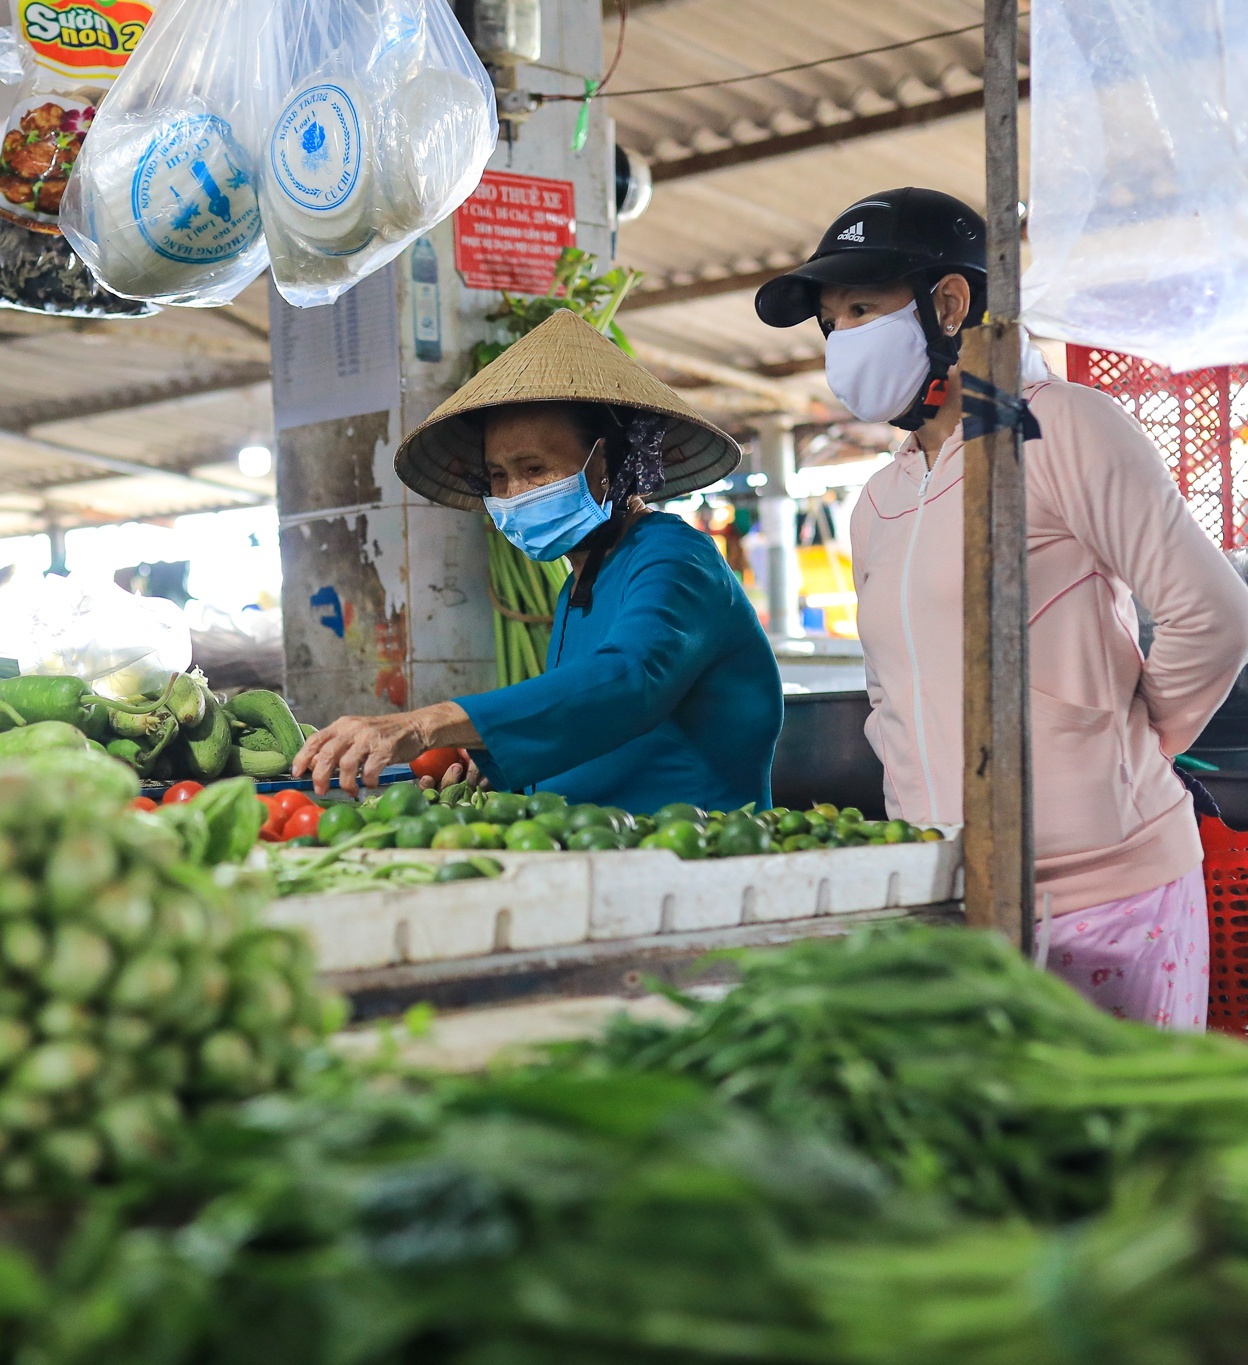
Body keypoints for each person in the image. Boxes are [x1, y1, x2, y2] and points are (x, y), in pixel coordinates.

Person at [756, 186, 1248, 1029]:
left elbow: (1213, 614)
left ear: (950, 302)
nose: (840, 339)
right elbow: (889, 689)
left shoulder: (1063, 429)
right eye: (830, 322)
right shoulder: (879, 498)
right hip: (952, 887)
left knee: (1112, 1147)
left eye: (862, 308)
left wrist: (1123, 741)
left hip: (1105, 889)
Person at [293, 309, 784, 812]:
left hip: (703, 848)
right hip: (602, 850)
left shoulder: (677, 557)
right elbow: (581, 725)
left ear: (609, 463)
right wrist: (492, 767)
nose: (513, 493)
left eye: (534, 468)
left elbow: (631, 680)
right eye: (499, 476)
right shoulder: (576, 588)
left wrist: (424, 724)